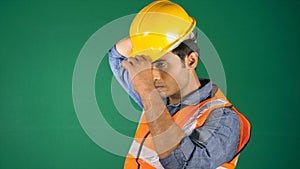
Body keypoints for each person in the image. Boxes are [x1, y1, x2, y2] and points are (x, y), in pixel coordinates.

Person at [108, 1, 251, 169]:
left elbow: (184, 165)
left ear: (191, 60)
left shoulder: (225, 119)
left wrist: (147, 92)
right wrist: (149, 37)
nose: (152, 76)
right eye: (149, 66)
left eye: (161, 64)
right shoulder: (159, 99)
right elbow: (117, 57)